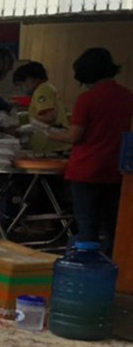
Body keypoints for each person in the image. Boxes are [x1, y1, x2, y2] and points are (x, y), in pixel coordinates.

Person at [35, 48, 133, 253]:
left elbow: (73, 136)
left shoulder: (87, 99)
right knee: (112, 225)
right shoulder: (127, 97)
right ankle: (113, 270)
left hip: (86, 170)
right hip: (117, 170)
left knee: (87, 225)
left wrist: (47, 132)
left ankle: (87, 269)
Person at [12, 61, 68, 156]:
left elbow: (49, 117)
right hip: (55, 145)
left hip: (51, 147)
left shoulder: (41, 90)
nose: (22, 89)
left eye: (21, 85)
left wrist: (27, 122)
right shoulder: (48, 88)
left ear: (31, 79)